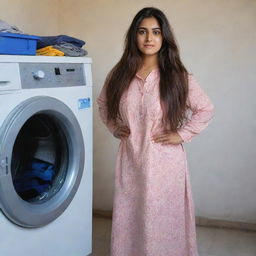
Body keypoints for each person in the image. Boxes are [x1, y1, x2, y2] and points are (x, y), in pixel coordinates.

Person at [97, 7, 214, 256]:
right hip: (131, 161)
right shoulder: (119, 75)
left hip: (166, 166)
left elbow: (206, 109)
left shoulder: (177, 77)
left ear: (164, 37)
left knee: (162, 220)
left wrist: (180, 134)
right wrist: (114, 127)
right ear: (134, 37)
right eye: (142, 32)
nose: (149, 38)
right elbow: (103, 104)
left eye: (156, 32)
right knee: (131, 215)